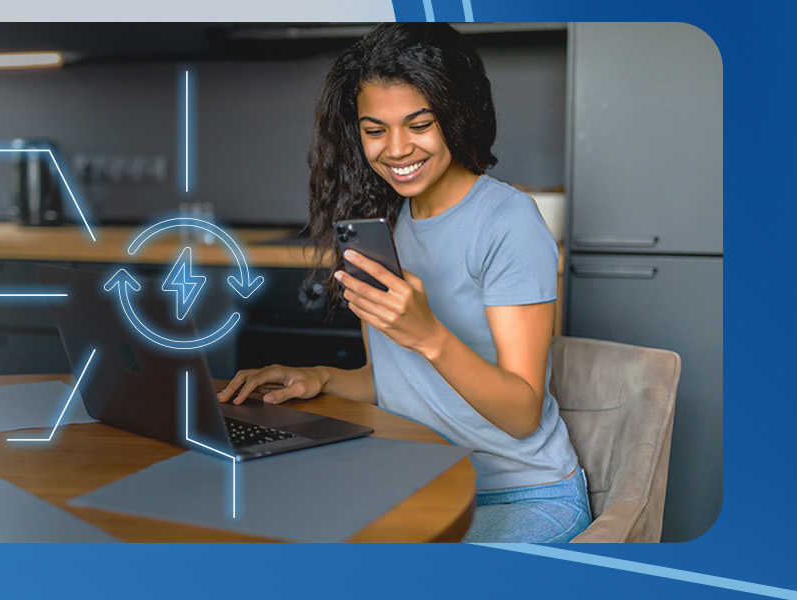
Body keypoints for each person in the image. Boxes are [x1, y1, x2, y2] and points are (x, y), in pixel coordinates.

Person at [216, 23, 590, 543]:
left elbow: (523, 412)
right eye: (375, 130)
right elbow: (399, 384)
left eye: (419, 124)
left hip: (521, 493)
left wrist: (428, 334)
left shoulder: (508, 220)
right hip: (422, 482)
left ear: (456, 117)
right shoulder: (388, 225)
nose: (396, 149)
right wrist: (320, 376)